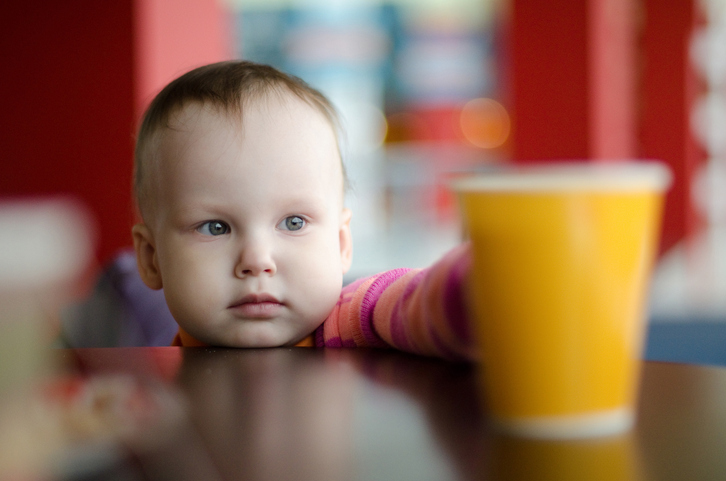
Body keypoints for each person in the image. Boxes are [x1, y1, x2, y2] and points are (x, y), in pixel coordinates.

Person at [132, 60, 474, 360]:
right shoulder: (145, 392)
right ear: (151, 258)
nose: (257, 261)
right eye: (215, 227)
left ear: (341, 244)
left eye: (293, 222)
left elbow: (414, 302)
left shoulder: (352, 320)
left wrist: (475, 283)